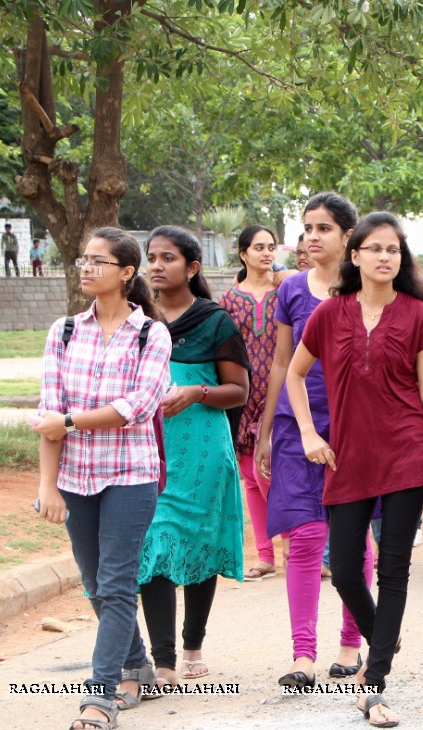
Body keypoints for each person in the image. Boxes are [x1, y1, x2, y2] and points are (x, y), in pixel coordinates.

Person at [287, 211, 423, 727]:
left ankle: (374, 682)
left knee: (393, 569)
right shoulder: (328, 314)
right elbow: (295, 377)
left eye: (394, 249)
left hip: (406, 451)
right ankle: (385, 631)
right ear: (355, 255)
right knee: (343, 568)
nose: (385, 256)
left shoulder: (421, 316)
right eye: (375, 248)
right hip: (347, 455)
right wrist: (310, 435)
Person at [33, 227, 171, 730]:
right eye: (82, 260)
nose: (86, 268)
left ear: (126, 272)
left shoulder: (150, 334)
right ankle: (138, 667)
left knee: (115, 584)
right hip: (75, 477)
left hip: (130, 475)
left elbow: (136, 408)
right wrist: (48, 485)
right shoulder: (64, 331)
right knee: (95, 584)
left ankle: (100, 695)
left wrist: (69, 423)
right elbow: (49, 412)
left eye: (98, 261)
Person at [255, 192, 374, 688]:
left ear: (348, 237)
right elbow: (282, 363)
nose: (312, 237)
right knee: (303, 537)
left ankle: (352, 641)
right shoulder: (292, 290)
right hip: (294, 426)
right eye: (308, 227)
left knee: (354, 538)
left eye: (324, 228)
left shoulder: (368, 287)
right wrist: (265, 430)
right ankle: (302, 655)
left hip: (356, 427)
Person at [137, 226, 248, 686]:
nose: (157, 266)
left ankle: (193, 645)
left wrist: (197, 391)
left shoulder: (214, 321)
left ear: (192, 267)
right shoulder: (137, 320)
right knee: (154, 545)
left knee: (200, 544)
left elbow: (238, 390)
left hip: (202, 448)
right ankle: (162, 660)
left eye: (168, 258)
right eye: (152, 258)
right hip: (148, 449)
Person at [220, 225, 285, 580]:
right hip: (245, 392)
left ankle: (293, 542)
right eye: (259, 247)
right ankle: (265, 554)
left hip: (280, 391)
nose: (266, 253)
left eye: (271, 247)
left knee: (271, 470)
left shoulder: (285, 291)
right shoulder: (229, 301)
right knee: (249, 475)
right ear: (243, 253)